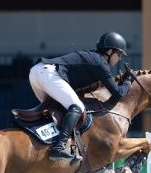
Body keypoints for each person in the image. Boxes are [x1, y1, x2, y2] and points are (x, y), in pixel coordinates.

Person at [29, 31, 134, 163]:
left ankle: (54, 146)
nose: (119, 58)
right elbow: (118, 93)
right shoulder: (100, 63)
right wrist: (128, 81)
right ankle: (59, 147)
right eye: (119, 54)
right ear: (109, 52)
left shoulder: (95, 59)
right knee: (77, 107)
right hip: (48, 74)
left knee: (58, 112)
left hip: (37, 73)